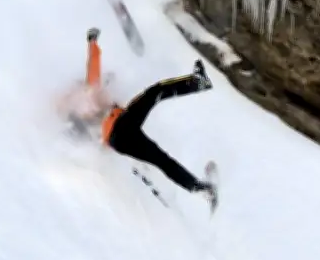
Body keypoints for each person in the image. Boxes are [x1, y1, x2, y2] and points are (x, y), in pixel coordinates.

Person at [79, 27, 217, 208]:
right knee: (156, 91)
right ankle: (197, 82)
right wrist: (92, 42)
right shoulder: (90, 94)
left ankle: (201, 190)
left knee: (161, 160)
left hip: (118, 142)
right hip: (122, 125)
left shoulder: (93, 119)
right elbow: (93, 68)